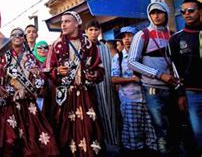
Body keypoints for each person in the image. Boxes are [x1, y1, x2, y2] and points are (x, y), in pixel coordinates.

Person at [0, 27, 59, 156]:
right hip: (10, 104)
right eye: (14, 34)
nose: (17, 36)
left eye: (20, 34)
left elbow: (40, 81)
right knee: (10, 141)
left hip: (28, 104)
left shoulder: (30, 57)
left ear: (23, 38)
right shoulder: (2, 57)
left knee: (39, 138)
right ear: (10, 38)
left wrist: (38, 76)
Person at [128, 0, 183, 156]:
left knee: (176, 129)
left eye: (159, 12)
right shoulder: (142, 34)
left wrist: (180, 91)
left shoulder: (172, 35)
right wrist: (159, 74)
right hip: (153, 90)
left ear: (166, 13)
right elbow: (132, 62)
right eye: (153, 13)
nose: (156, 16)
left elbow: (176, 63)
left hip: (172, 89)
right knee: (161, 131)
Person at [46, 11, 104, 157]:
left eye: (67, 21)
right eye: (61, 22)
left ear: (77, 23)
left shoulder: (89, 45)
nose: (63, 25)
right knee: (66, 130)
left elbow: (100, 69)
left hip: (86, 94)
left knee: (90, 127)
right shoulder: (56, 45)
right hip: (65, 96)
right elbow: (47, 70)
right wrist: (57, 71)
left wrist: (94, 75)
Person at [111, 26, 157, 156]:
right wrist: (133, 79)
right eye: (124, 36)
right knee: (133, 138)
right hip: (130, 101)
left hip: (149, 99)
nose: (127, 39)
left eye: (130, 36)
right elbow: (114, 79)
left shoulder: (145, 55)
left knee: (152, 135)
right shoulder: (118, 57)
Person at [169, 0, 202, 154]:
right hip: (192, 93)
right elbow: (175, 69)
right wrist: (180, 94)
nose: (186, 14)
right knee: (198, 132)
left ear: (200, 11)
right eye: (183, 11)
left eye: (191, 10)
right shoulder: (176, 39)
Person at [85, 20, 120, 149]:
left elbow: (110, 67)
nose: (94, 33)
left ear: (100, 31)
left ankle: (113, 142)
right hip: (91, 88)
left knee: (111, 112)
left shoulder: (105, 48)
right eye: (91, 30)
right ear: (86, 32)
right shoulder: (83, 48)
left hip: (107, 86)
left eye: (96, 30)